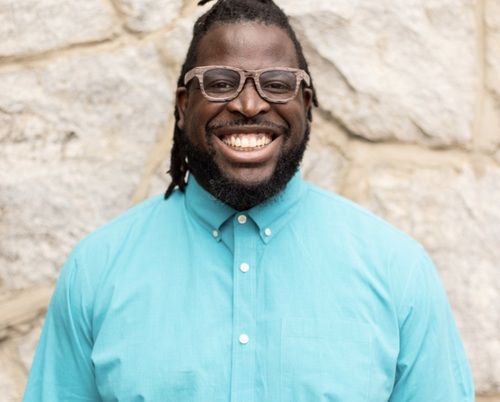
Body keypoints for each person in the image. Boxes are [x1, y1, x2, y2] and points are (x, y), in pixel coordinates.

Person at [24, 0, 474, 401]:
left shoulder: (397, 271)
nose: (249, 104)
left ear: (307, 104)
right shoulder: (98, 269)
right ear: (183, 105)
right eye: (220, 82)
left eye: (277, 83)